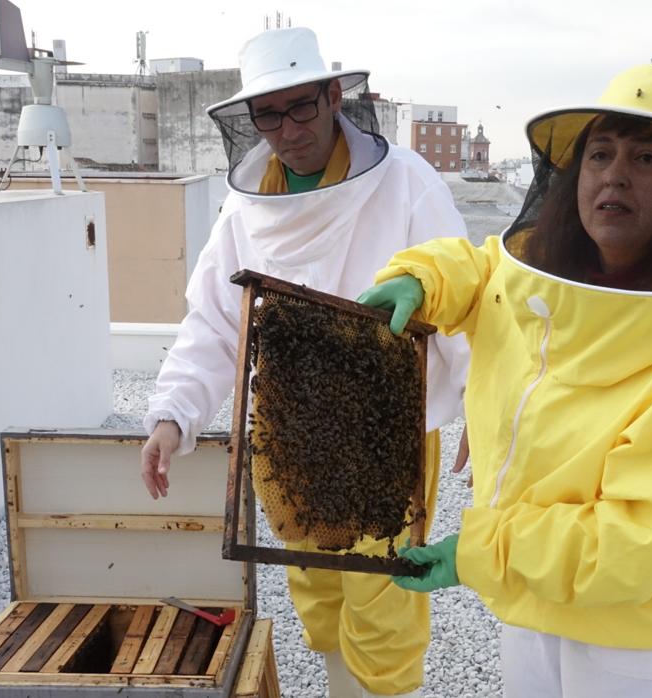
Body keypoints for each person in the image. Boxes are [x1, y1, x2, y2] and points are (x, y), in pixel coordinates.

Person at [358, 64, 652, 697]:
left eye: (647, 158)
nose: (614, 174)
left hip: (648, 636)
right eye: (601, 153)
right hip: (538, 594)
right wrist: (424, 278)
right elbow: (488, 274)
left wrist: (479, 554)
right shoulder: (554, 276)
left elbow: (637, 545)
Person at [139, 27, 471, 698]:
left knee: (384, 592)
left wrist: (478, 408)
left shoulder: (407, 182)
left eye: (300, 107)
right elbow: (212, 320)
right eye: (269, 114)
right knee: (315, 587)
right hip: (290, 429)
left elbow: (461, 293)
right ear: (251, 121)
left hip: (388, 427)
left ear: (331, 97)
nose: (287, 129)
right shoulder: (243, 207)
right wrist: (173, 414)